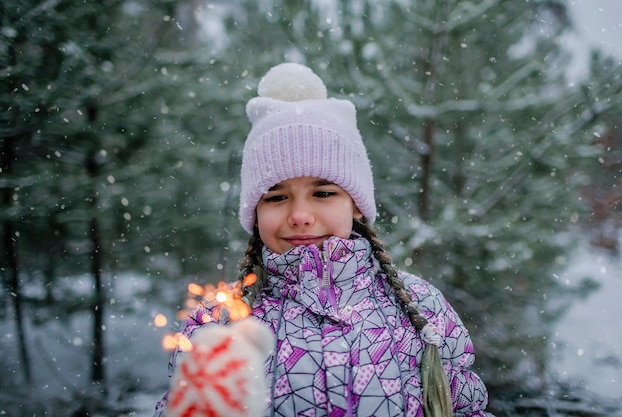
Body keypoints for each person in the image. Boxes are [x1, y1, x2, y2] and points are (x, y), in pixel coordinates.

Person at [154, 62, 494, 417]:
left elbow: (466, 408)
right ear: (255, 213)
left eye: (323, 193)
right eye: (276, 197)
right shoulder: (219, 321)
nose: (300, 214)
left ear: (357, 206)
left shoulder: (422, 308)